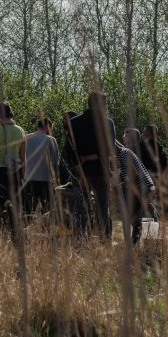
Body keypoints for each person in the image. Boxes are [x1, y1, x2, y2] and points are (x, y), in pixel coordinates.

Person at [69, 92, 117, 240]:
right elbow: (111, 150)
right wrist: (92, 157)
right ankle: (105, 238)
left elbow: (69, 149)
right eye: (105, 104)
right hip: (100, 170)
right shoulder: (107, 123)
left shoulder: (74, 122)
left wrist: (78, 165)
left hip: (80, 171)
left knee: (80, 207)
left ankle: (80, 238)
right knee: (102, 206)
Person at [0, 101, 26, 232]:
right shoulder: (21, 131)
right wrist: (24, 176)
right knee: (14, 206)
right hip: (16, 173)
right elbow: (23, 157)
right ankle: (15, 232)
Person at [119, 129, 156, 244]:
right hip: (139, 185)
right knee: (142, 213)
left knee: (139, 215)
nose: (124, 136)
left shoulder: (134, 149)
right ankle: (140, 240)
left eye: (126, 134)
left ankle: (138, 241)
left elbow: (133, 172)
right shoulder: (128, 149)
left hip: (138, 186)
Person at [24, 118, 59, 214]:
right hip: (45, 180)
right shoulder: (51, 140)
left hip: (28, 179)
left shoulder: (26, 138)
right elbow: (55, 163)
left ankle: (25, 228)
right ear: (48, 127)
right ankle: (47, 229)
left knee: (28, 212)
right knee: (48, 212)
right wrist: (57, 180)